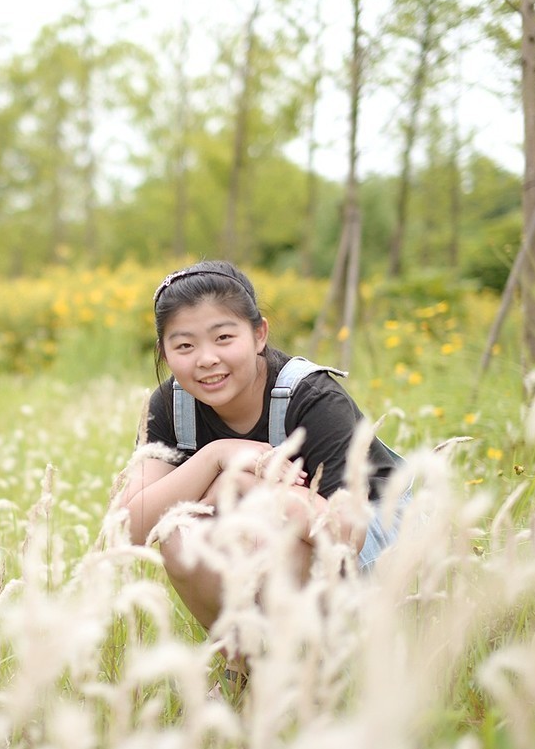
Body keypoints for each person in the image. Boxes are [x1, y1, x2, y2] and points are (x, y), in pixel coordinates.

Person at [117, 259, 407, 693]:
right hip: (279, 529)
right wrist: (219, 459)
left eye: (224, 337)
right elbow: (125, 529)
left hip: (377, 537)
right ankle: (241, 665)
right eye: (184, 346)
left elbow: (346, 534)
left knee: (270, 520)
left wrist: (244, 490)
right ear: (164, 352)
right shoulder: (171, 406)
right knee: (179, 532)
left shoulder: (312, 398)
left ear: (259, 335)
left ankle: (295, 674)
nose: (207, 359)